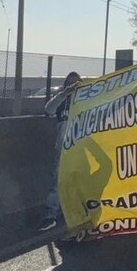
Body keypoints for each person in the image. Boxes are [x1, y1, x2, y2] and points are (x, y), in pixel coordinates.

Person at [40, 71, 81, 232]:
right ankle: (50, 215)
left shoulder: (86, 101)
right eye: (70, 84)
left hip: (82, 147)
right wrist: (64, 94)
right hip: (63, 148)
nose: (73, 86)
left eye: (76, 83)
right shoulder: (61, 102)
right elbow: (48, 110)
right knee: (57, 181)